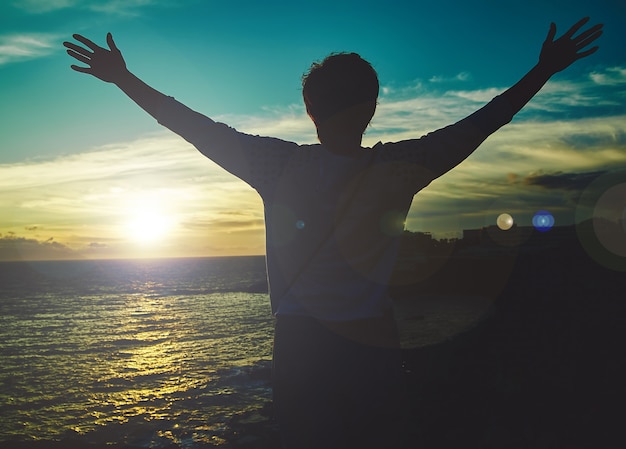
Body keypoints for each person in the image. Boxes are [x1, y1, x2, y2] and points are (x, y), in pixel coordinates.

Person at [64, 17, 603, 449]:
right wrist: (543, 72)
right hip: (375, 340)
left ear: (310, 109)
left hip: (303, 346)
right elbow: (484, 121)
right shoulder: (401, 167)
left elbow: (189, 124)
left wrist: (123, 78)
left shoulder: (274, 165)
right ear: (372, 108)